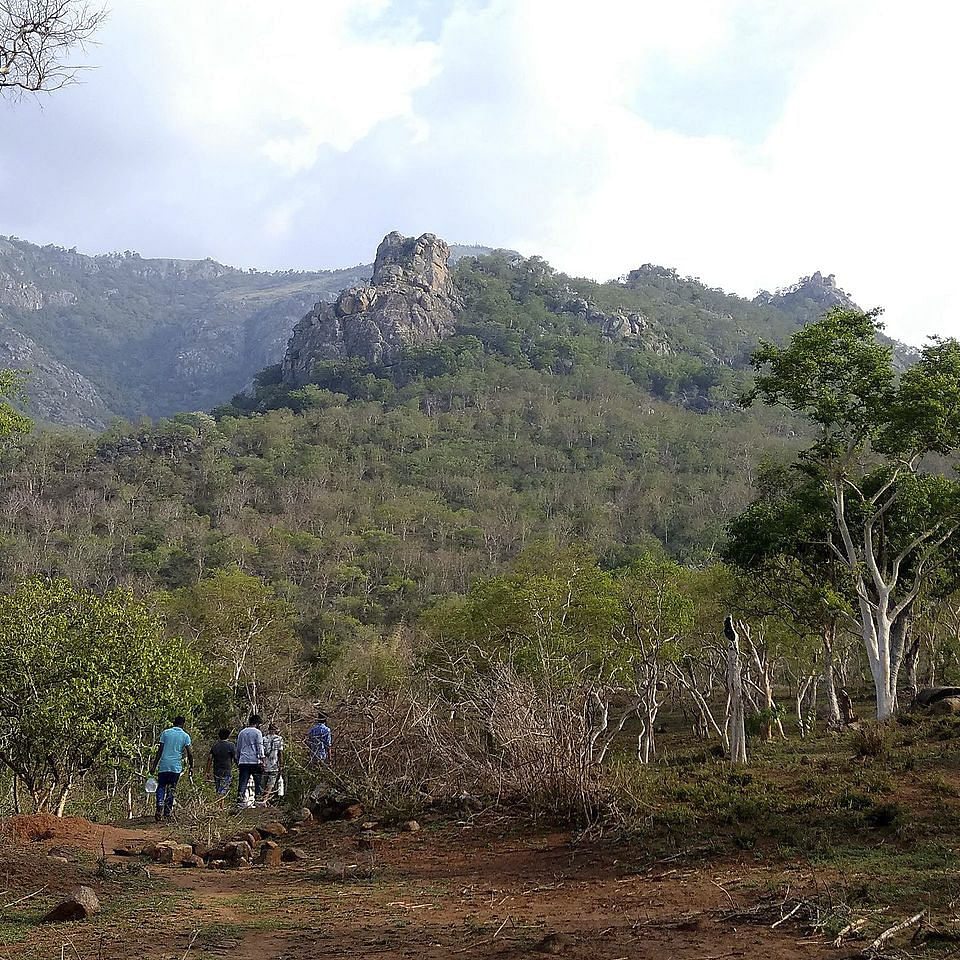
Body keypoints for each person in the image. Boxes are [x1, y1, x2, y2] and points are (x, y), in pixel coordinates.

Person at [150, 716, 193, 822]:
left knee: (161, 786)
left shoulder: (165, 733)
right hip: (176, 767)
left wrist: (154, 765)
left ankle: (159, 803)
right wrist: (191, 766)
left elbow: (159, 750)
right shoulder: (185, 736)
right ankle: (167, 812)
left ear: (173, 723)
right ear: (183, 724)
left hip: (164, 765)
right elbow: (190, 753)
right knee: (172, 788)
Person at [235, 714, 265, 807]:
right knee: (258, 781)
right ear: (257, 723)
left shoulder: (242, 732)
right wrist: (262, 758)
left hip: (243, 760)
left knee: (243, 781)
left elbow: (238, 747)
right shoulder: (257, 733)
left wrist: (238, 758)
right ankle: (258, 799)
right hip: (255, 760)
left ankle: (240, 800)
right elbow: (259, 746)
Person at [206, 729, 236, 802]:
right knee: (224, 788)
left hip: (216, 770)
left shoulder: (215, 746)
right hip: (226, 770)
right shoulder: (231, 746)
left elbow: (210, 758)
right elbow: (235, 757)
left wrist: (207, 771)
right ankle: (221, 805)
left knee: (218, 787)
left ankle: (219, 804)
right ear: (228, 736)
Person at [261, 722, 284, 802]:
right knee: (271, 784)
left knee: (264, 783)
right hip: (274, 764)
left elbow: (261, 752)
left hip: (264, 764)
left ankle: (263, 799)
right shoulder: (279, 739)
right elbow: (280, 753)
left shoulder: (263, 739)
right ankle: (264, 799)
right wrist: (281, 765)